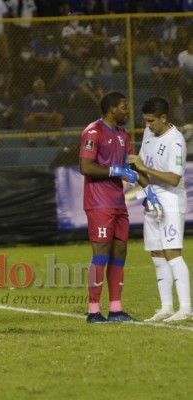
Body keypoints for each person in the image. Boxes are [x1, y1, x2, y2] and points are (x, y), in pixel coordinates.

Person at [126, 97, 191, 322]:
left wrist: (145, 168)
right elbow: (141, 166)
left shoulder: (175, 141)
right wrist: (140, 180)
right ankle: (166, 307)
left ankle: (186, 308)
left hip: (171, 201)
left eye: (152, 121)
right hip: (152, 199)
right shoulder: (148, 133)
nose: (148, 125)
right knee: (156, 253)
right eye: (145, 121)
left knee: (172, 252)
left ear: (164, 118)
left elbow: (174, 178)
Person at [79, 91, 138, 323]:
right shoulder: (93, 132)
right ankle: (94, 311)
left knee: (119, 253)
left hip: (118, 202)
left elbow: (131, 162)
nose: (127, 109)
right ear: (112, 108)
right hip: (98, 203)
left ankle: (116, 309)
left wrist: (147, 187)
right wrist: (115, 170)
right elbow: (85, 166)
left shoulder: (123, 134)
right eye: (124, 105)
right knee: (101, 254)